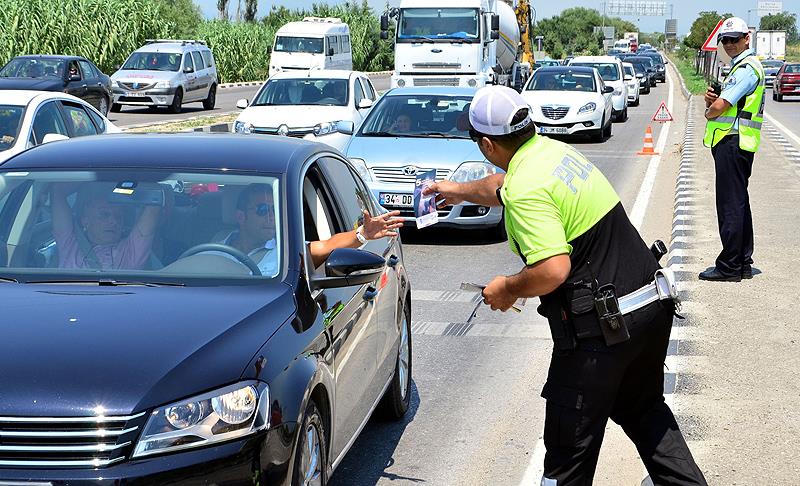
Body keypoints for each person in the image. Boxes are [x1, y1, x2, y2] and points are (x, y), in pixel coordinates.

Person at [426, 85, 707, 485]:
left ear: (487, 144)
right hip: (648, 308)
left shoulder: (524, 187)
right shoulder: (549, 153)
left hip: (601, 334)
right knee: (646, 415)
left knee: (566, 457)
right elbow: (498, 187)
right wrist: (451, 190)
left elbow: (553, 269)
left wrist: (507, 288)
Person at [699, 17, 763, 282]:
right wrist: (711, 98)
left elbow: (721, 107)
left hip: (732, 142)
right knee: (739, 202)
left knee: (730, 206)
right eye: (725, 40)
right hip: (737, 142)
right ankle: (743, 262)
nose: (730, 44)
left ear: (746, 38)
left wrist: (709, 110)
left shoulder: (746, 68)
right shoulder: (739, 67)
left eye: (734, 39)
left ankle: (729, 266)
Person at [217, 184, 403, 274]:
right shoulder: (213, 249)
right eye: (263, 210)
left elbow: (329, 245)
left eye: (275, 210)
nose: (271, 217)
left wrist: (363, 234)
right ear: (241, 216)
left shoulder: (287, 251)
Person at [51, 183, 163, 270]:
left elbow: (156, 198)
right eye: (104, 215)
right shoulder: (70, 244)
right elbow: (57, 192)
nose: (113, 221)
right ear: (85, 221)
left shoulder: (130, 250)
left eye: (118, 217)